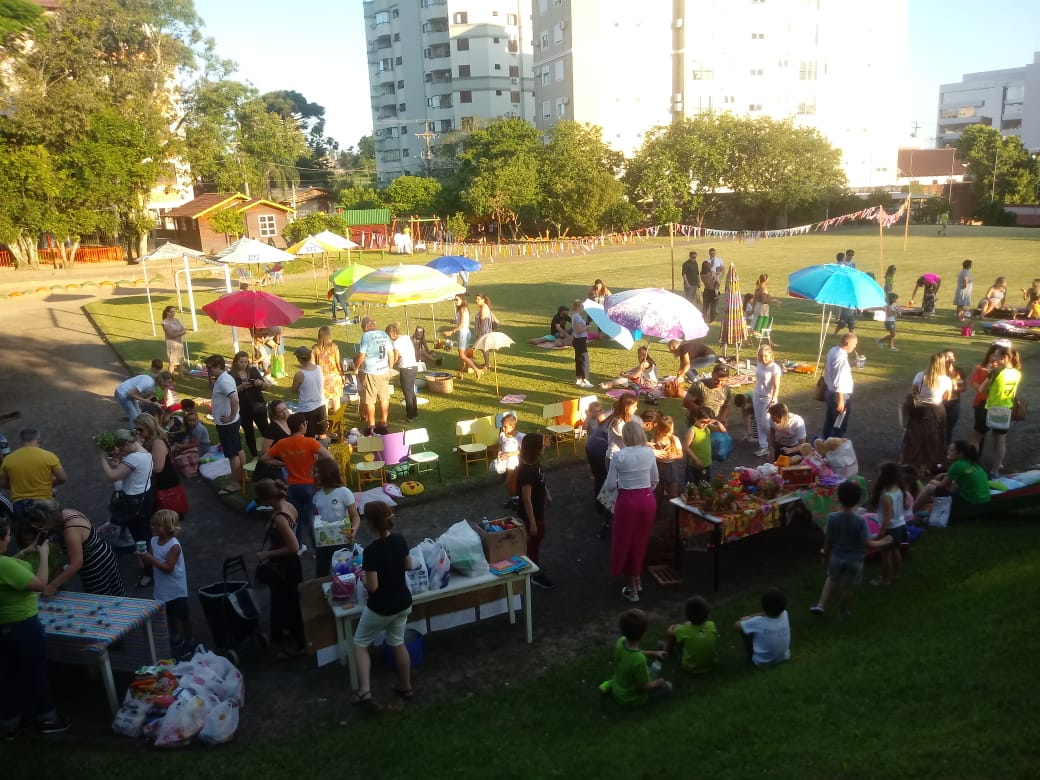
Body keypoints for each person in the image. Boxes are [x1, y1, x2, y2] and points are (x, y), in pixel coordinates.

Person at [0, 517, 70, 738]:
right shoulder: (5, 565)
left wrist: (25, 551)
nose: (10, 539)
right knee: (36, 672)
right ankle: (48, 719)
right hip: (22, 625)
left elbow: (7, 571)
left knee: (6, 674)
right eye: (8, 535)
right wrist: (44, 554)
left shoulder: (6, 564)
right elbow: (40, 584)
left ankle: (10, 722)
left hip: (3, 626)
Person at [351, 499, 415, 711]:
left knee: (360, 643)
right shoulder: (399, 539)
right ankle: (406, 687)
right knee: (397, 642)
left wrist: (362, 577)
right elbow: (409, 565)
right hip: (403, 602)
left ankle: (365, 692)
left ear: (369, 524)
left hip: (382, 607)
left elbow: (373, 587)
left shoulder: (371, 552)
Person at [810, 480, 892, 615]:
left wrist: (825, 553)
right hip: (855, 560)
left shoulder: (832, 518)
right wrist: (884, 541)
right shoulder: (860, 521)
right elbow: (867, 543)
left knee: (831, 578)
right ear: (858, 500)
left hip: (836, 557)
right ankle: (843, 611)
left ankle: (821, 605)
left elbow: (828, 539)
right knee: (848, 587)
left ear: (838, 498)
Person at [262, 412, 335, 553]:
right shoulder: (310, 442)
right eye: (305, 423)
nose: (306, 425)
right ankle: (317, 549)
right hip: (309, 486)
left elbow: (264, 458)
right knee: (311, 518)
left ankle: (298, 546)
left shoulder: (282, 443)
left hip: (292, 487)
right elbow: (328, 457)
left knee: (296, 517)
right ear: (301, 426)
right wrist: (318, 469)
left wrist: (282, 464)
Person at [606, 421, 659, 603]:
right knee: (640, 541)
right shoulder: (649, 452)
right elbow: (655, 479)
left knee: (625, 543)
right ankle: (637, 579)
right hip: (647, 500)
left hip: (628, 502)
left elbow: (610, 484)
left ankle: (632, 588)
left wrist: (620, 491)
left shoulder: (619, 456)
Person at [252, 479, 306, 658]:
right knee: (291, 603)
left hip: (284, 567)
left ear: (267, 499)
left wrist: (266, 554)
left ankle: (298, 644)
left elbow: (293, 546)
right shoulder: (289, 506)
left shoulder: (280, 518)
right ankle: (292, 638)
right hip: (291, 565)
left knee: (289, 606)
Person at [29, 499, 124, 597]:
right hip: (103, 554)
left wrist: (53, 586)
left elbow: (76, 564)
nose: (42, 528)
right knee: (115, 593)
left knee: (101, 597)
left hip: (96, 564)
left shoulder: (70, 530)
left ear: (50, 520)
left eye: (42, 525)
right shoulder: (64, 513)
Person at [136, 509, 192, 654]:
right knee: (169, 614)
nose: (153, 527)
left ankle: (189, 640)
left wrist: (150, 559)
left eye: (158, 525)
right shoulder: (154, 540)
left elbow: (168, 568)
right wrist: (142, 557)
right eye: (152, 524)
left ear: (169, 527)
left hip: (176, 589)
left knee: (183, 615)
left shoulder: (174, 546)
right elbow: (149, 562)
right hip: (162, 588)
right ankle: (175, 637)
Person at [599, 608, 671, 706]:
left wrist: (655, 653)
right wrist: (659, 682)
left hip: (617, 686)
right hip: (630, 698)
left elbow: (634, 653)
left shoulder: (620, 641)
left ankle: (608, 686)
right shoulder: (639, 660)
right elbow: (644, 686)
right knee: (668, 686)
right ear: (643, 633)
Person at [0, 428, 66, 528]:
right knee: (51, 532)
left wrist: (18, 486)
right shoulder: (49, 456)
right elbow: (62, 478)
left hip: (20, 504)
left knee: (25, 534)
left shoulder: (9, 460)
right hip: (45, 502)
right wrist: (50, 484)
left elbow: (3, 483)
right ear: (39, 440)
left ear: (21, 442)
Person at [901, 353, 952, 478]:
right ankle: (930, 465)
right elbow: (947, 397)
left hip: (920, 409)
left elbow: (914, 391)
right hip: (936, 410)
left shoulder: (920, 376)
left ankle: (913, 463)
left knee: (916, 437)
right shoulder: (946, 380)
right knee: (934, 438)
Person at [911, 440, 991, 520]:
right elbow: (954, 488)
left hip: (970, 503)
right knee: (951, 486)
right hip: (983, 504)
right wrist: (946, 476)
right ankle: (928, 510)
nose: (948, 451)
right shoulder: (974, 465)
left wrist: (934, 481)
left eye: (951, 450)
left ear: (960, 454)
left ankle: (910, 512)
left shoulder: (957, 465)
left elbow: (942, 485)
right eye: (949, 449)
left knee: (930, 487)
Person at [977, 344, 1021, 477]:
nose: (994, 358)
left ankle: (972, 464)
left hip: (990, 408)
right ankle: (995, 471)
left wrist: (989, 373)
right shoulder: (1017, 373)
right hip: (1006, 408)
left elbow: (981, 389)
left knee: (976, 436)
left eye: (997, 356)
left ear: (1005, 357)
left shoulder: (997, 371)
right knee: (1000, 441)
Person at [517, 433, 553, 589]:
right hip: (531, 514)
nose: (544, 446)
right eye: (542, 445)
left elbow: (541, 481)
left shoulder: (535, 465)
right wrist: (532, 522)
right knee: (534, 539)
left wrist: (547, 494)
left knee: (538, 537)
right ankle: (534, 574)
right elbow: (526, 499)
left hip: (538, 510)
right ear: (536, 449)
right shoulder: (527, 472)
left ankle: (531, 564)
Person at [205, 354, 244, 493]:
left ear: (218, 366)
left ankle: (235, 483)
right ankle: (242, 476)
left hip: (227, 424)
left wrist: (230, 417)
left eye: (209, 367)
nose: (207, 370)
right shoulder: (224, 377)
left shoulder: (223, 381)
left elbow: (235, 399)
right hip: (232, 422)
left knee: (232, 454)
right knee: (238, 449)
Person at [868, 462, 909, 586]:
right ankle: (896, 574)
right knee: (895, 550)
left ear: (885, 476)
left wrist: (881, 533)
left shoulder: (886, 497)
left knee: (885, 555)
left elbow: (887, 518)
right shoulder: (899, 490)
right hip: (901, 526)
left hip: (890, 529)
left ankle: (885, 579)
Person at [353, 317, 395, 434]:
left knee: (370, 399)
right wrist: (390, 368)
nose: (362, 329)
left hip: (372, 372)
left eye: (362, 327)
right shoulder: (383, 334)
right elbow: (391, 353)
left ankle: (371, 425)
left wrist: (356, 368)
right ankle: (384, 421)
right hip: (384, 370)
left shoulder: (366, 336)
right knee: (384, 397)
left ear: (367, 325)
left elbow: (362, 355)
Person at [734, 587, 791, 667]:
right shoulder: (785, 614)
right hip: (784, 657)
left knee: (745, 630)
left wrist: (749, 618)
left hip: (762, 663)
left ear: (763, 606)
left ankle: (751, 658)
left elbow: (736, 626)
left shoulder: (757, 622)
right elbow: (765, 614)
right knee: (749, 627)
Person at [665, 595, 718, 674]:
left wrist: (673, 626)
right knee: (688, 638)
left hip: (690, 667)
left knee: (674, 637)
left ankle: (667, 652)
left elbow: (669, 632)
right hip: (710, 665)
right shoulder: (711, 625)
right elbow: (698, 632)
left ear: (687, 615)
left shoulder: (683, 630)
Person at [229, 351, 266, 458]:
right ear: (236, 362)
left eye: (246, 362)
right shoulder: (231, 375)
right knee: (249, 432)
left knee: (265, 429)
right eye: (241, 362)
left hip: (258, 405)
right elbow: (229, 392)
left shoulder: (253, 371)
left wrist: (260, 383)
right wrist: (240, 387)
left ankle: (270, 452)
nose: (244, 364)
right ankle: (254, 455)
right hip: (243, 407)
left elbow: (264, 386)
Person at [312, 458, 360, 538]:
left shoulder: (344, 492)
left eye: (318, 472)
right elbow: (315, 517)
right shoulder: (316, 494)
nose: (315, 475)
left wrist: (354, 529)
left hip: (343, 537)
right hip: (324, 539)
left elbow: (355, 516)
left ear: (328, 473)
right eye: (315, 472)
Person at [822, 333, 857, 438]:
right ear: (847, 343)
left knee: (830, 422)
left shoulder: (833, 350)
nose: (855, 347)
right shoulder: (840, 357)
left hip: (830, 392)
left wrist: (853, 364)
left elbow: (837, 369)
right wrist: (841, 400)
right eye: (854, 344)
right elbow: (838, 379)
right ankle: (833, 445)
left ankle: (824, 442)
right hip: (837, 395)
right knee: (839, 426)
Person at [444, 294, 483, 379]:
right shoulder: (463, 309)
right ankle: (460, 373)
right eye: (455, 300)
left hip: (463, 333)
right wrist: (454, 321)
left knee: (462, 355)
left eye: (457, 300)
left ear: (462, 300)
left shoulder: (462, 309)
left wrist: (451, 332)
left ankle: (476, 370)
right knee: (463, 355)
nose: (455, 301)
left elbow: (461, 325)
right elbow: (462, 321)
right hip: (466, 332)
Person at [292, 345, 327, 440]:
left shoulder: (300, 374)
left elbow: (293, 390)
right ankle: (324, 449)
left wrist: (301, 390)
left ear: (300, 359)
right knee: (322, 434)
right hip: (321, 405)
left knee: (309, 437)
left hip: (307, 409)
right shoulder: (319, 368)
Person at [253, 399, 292, 483]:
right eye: (280, 412)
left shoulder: (289, 421)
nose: (285, 413)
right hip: (277, 465)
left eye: (285, 409)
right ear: (275, 415)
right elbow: (264, 452)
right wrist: (283, 464)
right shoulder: (273, 429)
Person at [753, 344, 781, 458]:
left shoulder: (775, 368)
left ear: (771, 355)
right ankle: (763, 445)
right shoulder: (759, 364)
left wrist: (773, 399)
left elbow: (776, 386)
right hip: (757, 395)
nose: (763, 358)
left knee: (766, 423)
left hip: (768, 398)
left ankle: (773, 443)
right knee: (759, 421)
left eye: (765, 356)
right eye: (761, 356)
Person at [387, 323, 419, 421]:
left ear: (392, 333)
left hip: (406, 368)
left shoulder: (397, 342)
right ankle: (414, 413)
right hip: (414, 366)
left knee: (407, 392)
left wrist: (390, 366)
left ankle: (409, 416)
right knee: (411, 390)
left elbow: (395, 357)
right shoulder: (406, 337)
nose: (389, 338)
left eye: (389, 336)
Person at [311, 326, 344, 418]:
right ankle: (338, 422)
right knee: (336, 401)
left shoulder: (315, 349)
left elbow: (313, 366)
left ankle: (325, 423)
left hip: (322, 378)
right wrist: (342, 375)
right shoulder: (334, 347)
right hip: (335, 376)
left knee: (324, 402)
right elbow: (338, 363)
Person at [682, 410, 722, 484]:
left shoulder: (707, 427)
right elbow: (686, 446)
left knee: (706, 483)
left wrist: (716, 421)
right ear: (696, 419)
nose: (704, 424)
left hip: (707, 462)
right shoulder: (692, 430)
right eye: (702, 422)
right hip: (696, 465)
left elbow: (722, 430)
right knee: (696, 484)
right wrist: (696, 460)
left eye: (707, 422)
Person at [650, 416, 683, 499]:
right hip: (658, 466)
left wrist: (674, 456)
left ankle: (673, 504)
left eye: (671, 430)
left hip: (671, 467)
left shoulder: (675, 439)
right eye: (667, 432)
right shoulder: (654, 440)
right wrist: (656, 454)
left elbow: (681, 455)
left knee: (673, 493)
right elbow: (651, 455)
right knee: (658, 492)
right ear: (660, 430)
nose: (670, 433)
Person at [170, 410, 210, 477]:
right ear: (186, 421)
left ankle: (190, 469)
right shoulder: (191, 427)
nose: (192, 422)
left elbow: (196, 444)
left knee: (184, 453)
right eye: (190, 420)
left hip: (203, 447)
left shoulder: (198, 429)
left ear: (197, 420)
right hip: (193, 442)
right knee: (179, 449)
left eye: (194, 420)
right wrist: (173, 433)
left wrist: (182, 446)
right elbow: (184, 431)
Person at [942, 350, 967, 445]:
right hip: (940, 404)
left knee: (949, 429)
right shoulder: (938, 371)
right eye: (946, 357)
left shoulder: (959, 371)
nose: (949, 359)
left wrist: (952, 389)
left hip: (954, 403)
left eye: (951, 357)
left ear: (954, 358)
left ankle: (948, 449)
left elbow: (964, 388)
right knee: (937, 427)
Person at [494, 411, 524, 476]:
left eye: (505, 427)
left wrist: (509, 454)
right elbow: (500, 445)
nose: (503, 428)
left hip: (513, 464)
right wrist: (499, 452)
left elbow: (522, 451)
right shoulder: (502, 435)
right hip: (503, 463)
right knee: (504, 477)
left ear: (512, 426)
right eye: (502, 426)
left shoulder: (520, 437)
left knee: (511, 478)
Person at [571, 299, 592, 388]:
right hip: (580, 341)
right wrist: (587, 327)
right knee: (584, 360)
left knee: (579, 360)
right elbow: (579, 331)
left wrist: (586, 325)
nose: (583, 308)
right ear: (578, 307)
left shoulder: (576, 316)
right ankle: (585, 380)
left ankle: (579, 378)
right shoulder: (577, 317)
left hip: (578, 340)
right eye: (582, 307)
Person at [161, 306, 186, 375]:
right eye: (172, 312)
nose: (174, 313)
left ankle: (182, 377)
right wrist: (182, 332)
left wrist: (181, 332)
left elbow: (183, 329)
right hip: (172, 344)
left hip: (179, 343)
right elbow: (171, 335)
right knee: (172, 363)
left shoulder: (177, 320)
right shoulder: (165, 322)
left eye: (174, 311)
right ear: (167, 313)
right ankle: (169, 378)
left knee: (180, 361)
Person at [473, 293, 496, 368]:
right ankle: (487, 363)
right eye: (476, 299)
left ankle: (487, 364)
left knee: (484, 348)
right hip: (485, 330)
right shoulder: (483, 307)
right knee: (484, 348)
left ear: (483, 300)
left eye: (478, 299)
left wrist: (479, 334)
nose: (476, 301)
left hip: (483, 331)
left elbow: (482, 322)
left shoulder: (483, 308)